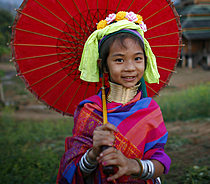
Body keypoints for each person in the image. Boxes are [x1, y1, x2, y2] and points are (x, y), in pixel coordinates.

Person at [57, 11, 171, 184]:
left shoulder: (150, 110)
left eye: (137, 59)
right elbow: (73, 167)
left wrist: (133, 166)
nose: (130, 68)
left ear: (146, 62)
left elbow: (160, 163)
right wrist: (93, 154)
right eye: (119, 60)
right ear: (103, 66)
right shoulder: (89, 111)